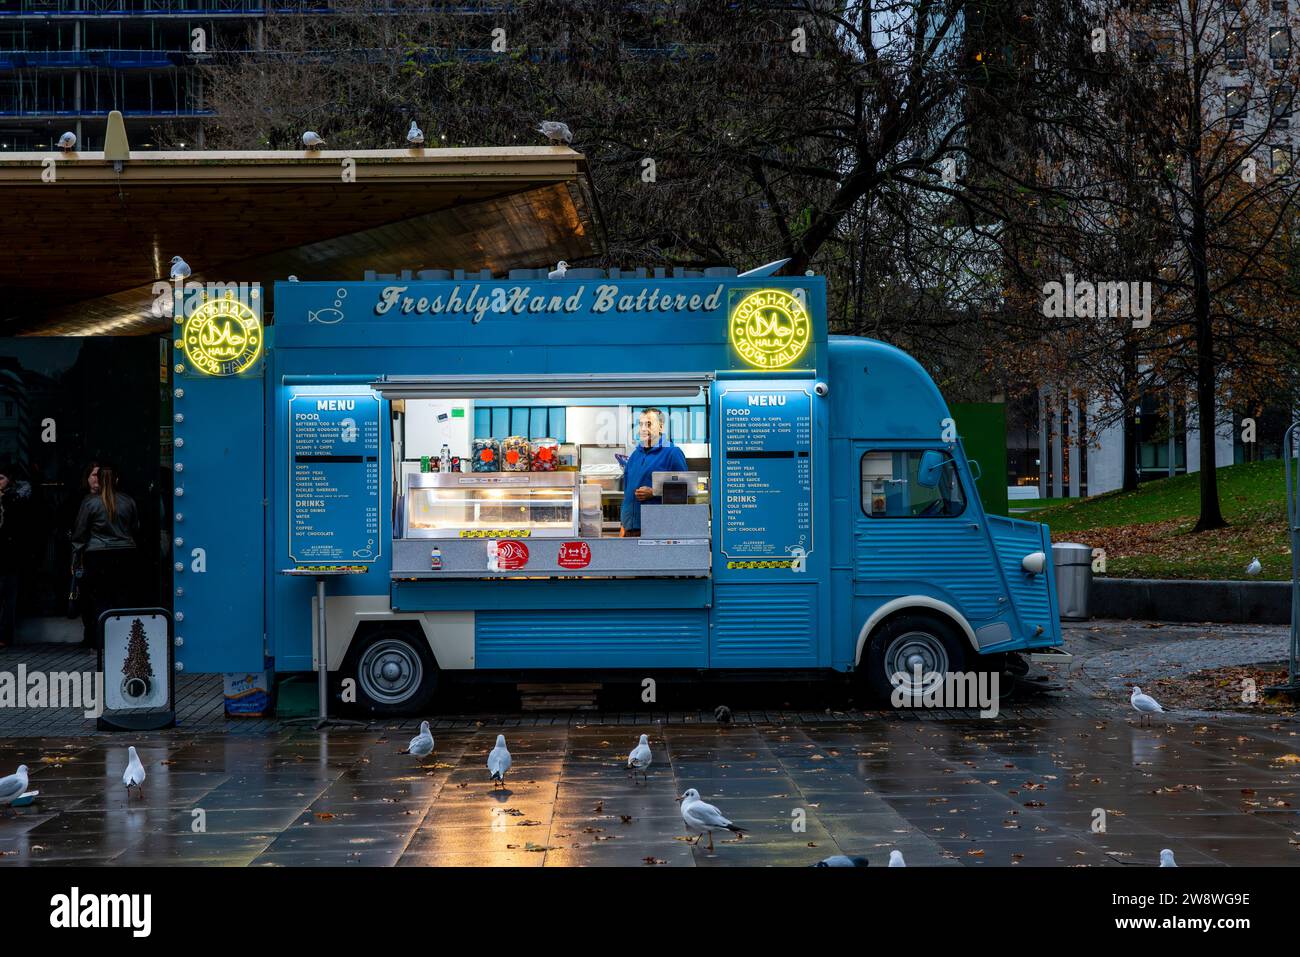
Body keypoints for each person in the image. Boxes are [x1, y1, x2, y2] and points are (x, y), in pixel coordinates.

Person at [71, 463, 140, 649]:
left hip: (97, 554)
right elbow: (135, 527)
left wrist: (76, 559)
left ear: (98, 480)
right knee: (123, 598)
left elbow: (79, 533)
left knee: (100, 600)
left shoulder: (90, 502)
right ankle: (125, 641)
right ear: (116, 480)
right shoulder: (128, 501)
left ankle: (102, 641)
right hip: (125, 552)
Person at [620, 408, 688, 537]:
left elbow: (685, 490)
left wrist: (654, 492)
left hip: (658, 530)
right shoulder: (635, 456)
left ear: (661, 427)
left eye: (649, 424)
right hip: (630, 531)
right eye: (640, 424)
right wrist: (623, 525)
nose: (643, 429)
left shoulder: (672, 453)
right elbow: (627, 494)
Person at [0, 463, 33, 648]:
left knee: (8, 597)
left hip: (10, 555)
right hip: (7, 553)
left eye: (1, 478)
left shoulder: (16, 500)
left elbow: (21, 528)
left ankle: (5, 635)